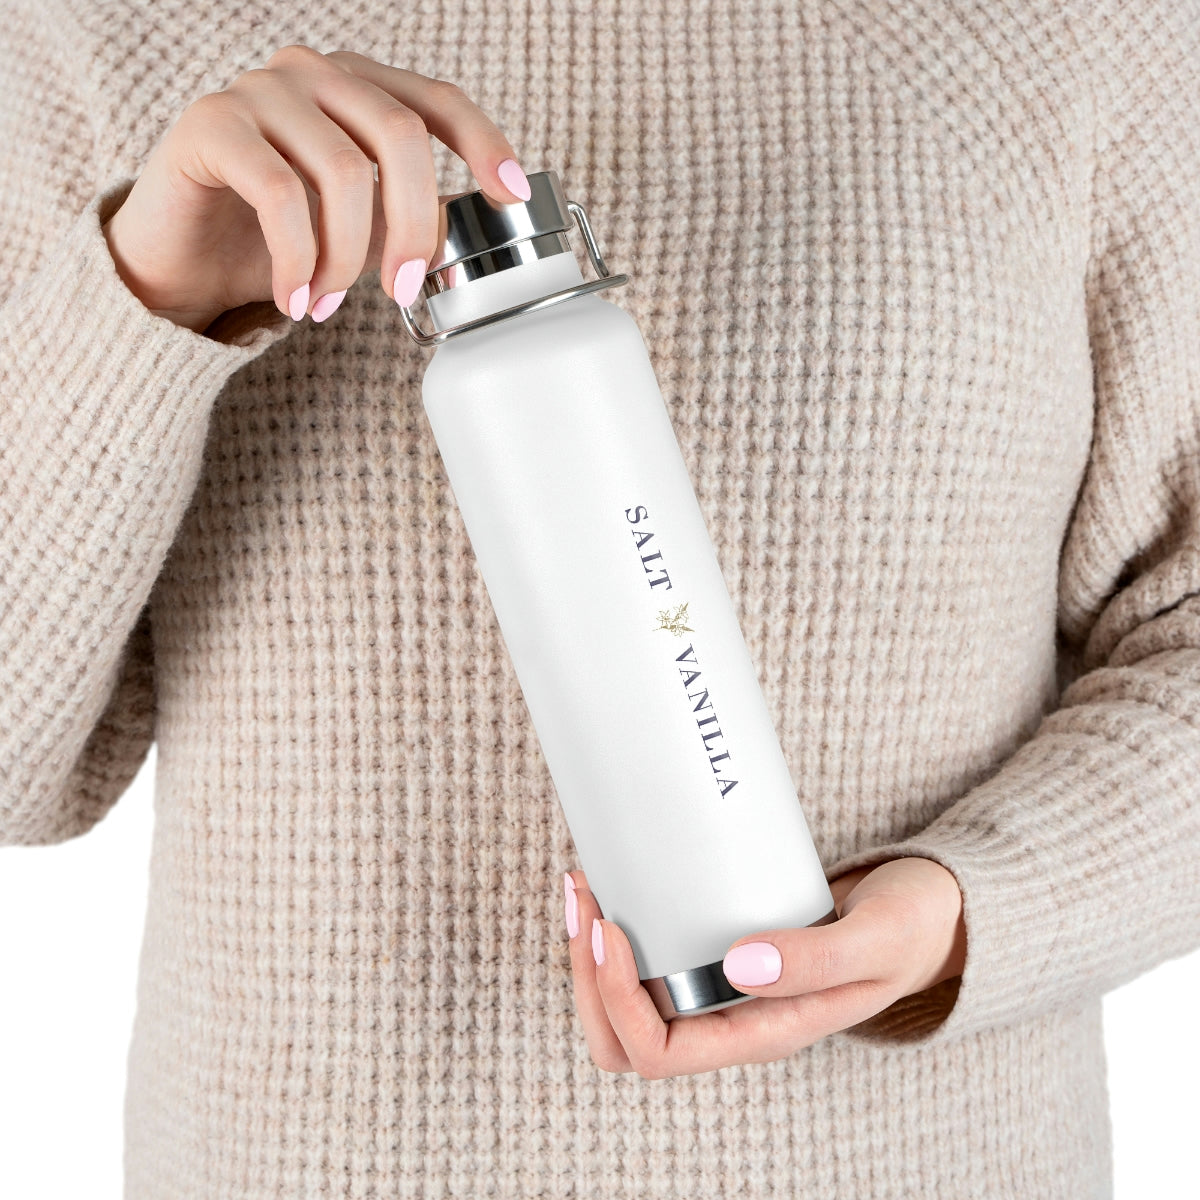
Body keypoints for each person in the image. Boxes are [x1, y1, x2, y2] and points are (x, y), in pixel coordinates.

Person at [1, 1, 1197, 1196]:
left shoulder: (1084, 34)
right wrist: (139, 301)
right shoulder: (95, 36)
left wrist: (972, 906)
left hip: (928, 1163)